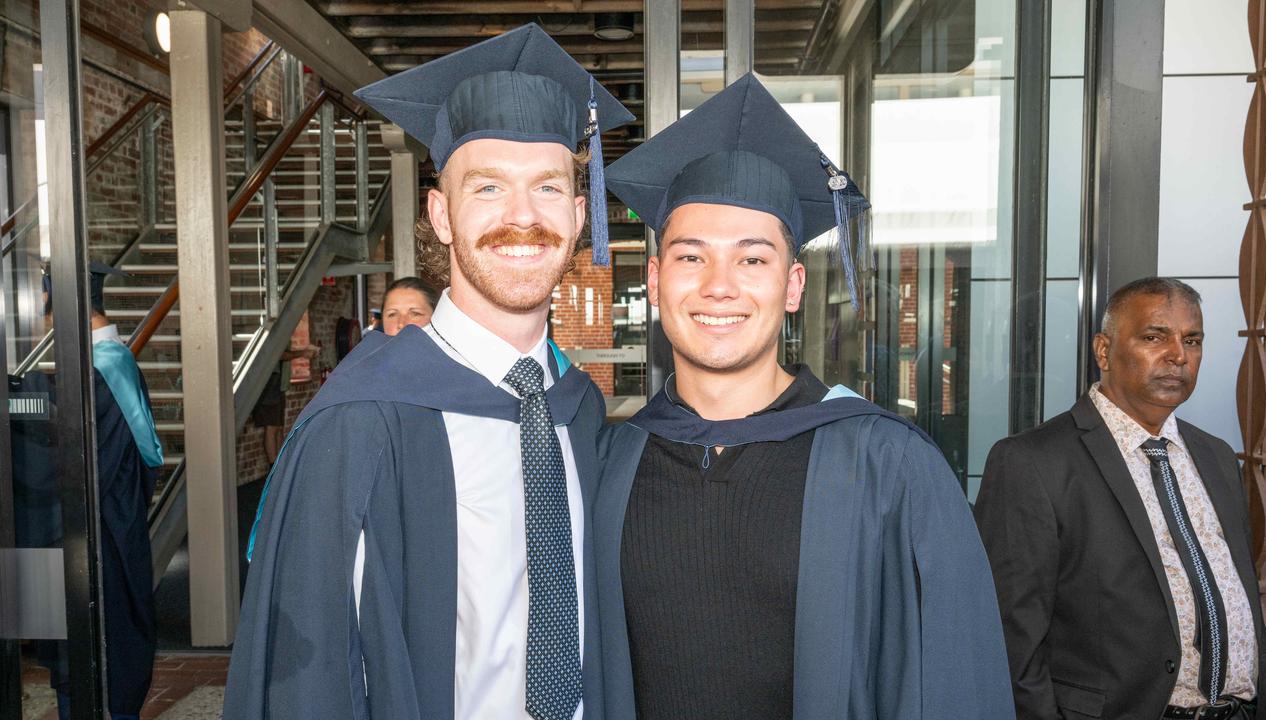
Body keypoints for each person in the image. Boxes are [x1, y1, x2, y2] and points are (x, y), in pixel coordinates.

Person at [223, 24, 632, 720]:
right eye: (489, 188)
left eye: (547, 187)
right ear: (441, 215)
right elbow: (307, 678)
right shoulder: (359, 422)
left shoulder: (580, 413)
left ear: (579, 211)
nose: (523, 217)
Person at [596, 73, 1014, 719]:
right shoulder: (610, 462)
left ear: (792, 286)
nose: (719, 286)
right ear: (655, 280)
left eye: (752, 260)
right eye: (690, 257)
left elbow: (959, 676)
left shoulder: (887, 464)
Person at [974, 277, 1266, 719]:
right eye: (1154, 337)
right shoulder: (1032, 462)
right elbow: (1010, 637)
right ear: (1104, 351)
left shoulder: (1214, 456)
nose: (1178, 355)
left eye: (1191, 340)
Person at [26, 261, 165, 720]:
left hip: (95, 549)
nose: (41, 314)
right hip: (102, 540)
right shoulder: (109, 365)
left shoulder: (100, 374)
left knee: (92, 671)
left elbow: (70, 470)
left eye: (45, 300)